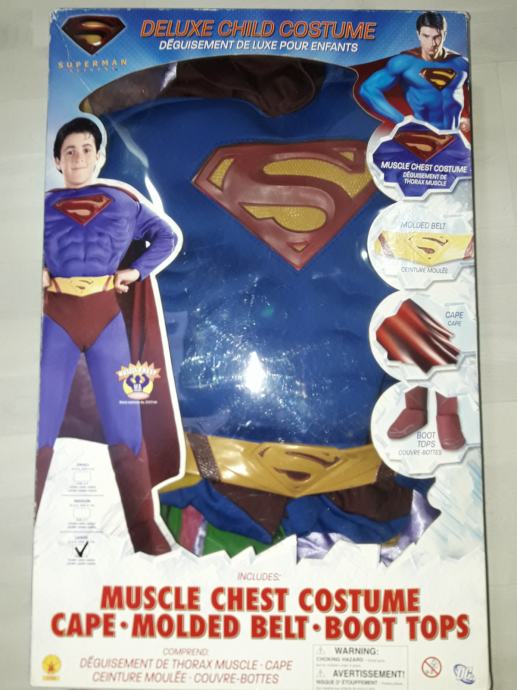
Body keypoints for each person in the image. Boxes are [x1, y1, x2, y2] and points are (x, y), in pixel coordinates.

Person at [37, 117, 182, 555]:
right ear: (57, 160)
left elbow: (166, 236)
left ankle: (147, 539)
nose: (78, 157)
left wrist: (135, 271)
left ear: (99, 156)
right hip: (57, 317)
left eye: (86, 149)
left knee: (126, 425)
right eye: (69, 151)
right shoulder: (40, 206)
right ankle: (20, 532)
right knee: (39, 426)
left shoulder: (123, 201)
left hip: (105, 318)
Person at [359, 12, 470, 131]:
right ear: (418, 35)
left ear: (445, 35)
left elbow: (475, 91)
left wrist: (468, 117)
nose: (432, 43)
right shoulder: (405, 63)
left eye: (437, 37)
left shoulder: (461, 63)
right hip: (420, 135)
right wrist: (399, 119)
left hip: (454, 135)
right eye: (426, 36)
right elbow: (368, 89)